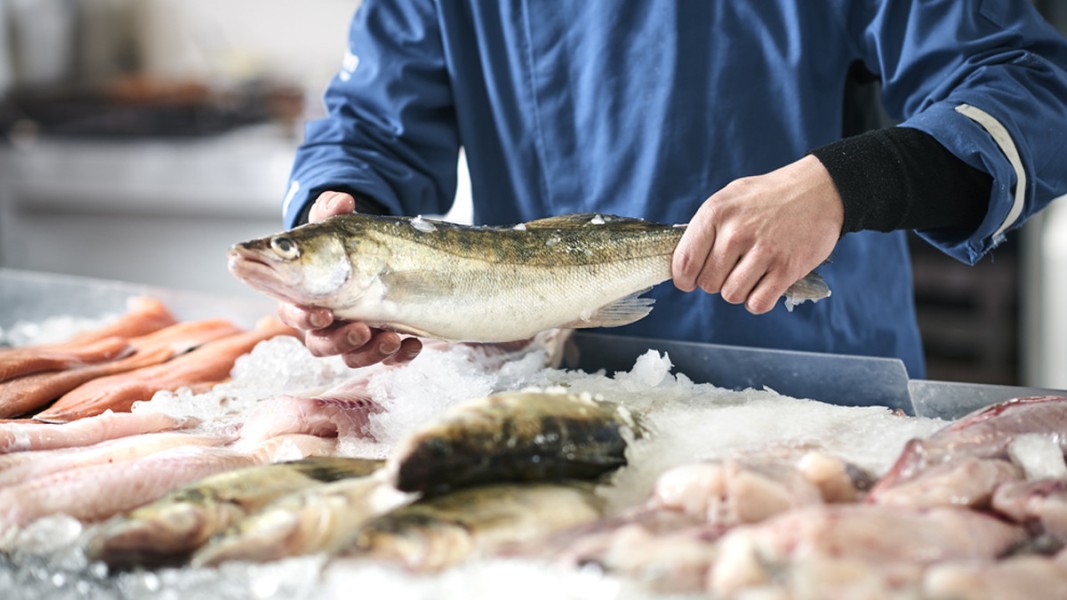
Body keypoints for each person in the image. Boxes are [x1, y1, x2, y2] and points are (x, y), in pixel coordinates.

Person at [276, 0, 1067, 379]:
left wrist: (845, 183)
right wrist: (339, 216)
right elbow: (372, 127)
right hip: (552, 382)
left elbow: (1029, 87)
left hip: (812, 385)